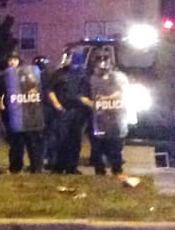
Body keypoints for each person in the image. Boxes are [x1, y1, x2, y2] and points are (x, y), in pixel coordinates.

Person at [85, 49, 130, 179]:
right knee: (97, 148)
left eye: (105, 58)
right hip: (96, 119)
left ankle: (117, 170)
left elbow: (122, 92)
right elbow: (84, 96)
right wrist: (93, 105)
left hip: (114, 117)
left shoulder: (118, 77)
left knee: (115, 147)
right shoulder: (90, 78)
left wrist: (106, 99)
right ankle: (100, 172)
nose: (102, 62)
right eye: (99, 59)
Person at [3, 53, 46, 173]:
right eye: (10, 60)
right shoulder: (7, 76)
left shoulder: (28, 74)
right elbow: (2, 95)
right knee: (16, 144)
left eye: (14, 59)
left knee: (32, 143)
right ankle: (15, 167)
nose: (12, 62)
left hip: (30, 116)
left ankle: (36, 167)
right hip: (15, 116)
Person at [47, 51, 88, 174]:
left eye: (69, 57)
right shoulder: (59, 73)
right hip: (63, 111)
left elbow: (87, 93)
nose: (67, 60)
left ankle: (72, 167)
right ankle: (58, 166)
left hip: (78, 111)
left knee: (75, 140)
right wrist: (57, 104)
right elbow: (50, 90)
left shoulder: (83, 74)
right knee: (60, 139)